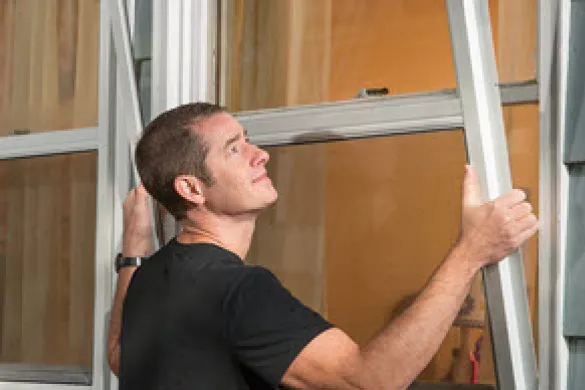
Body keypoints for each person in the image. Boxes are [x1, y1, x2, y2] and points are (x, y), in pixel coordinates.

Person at [106, 102, 538, 389]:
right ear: (192, 188)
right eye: (234, 149)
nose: (261, 155)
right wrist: (472, 251)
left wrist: (134, 248)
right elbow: (367, 382)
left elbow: (120, 358)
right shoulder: (239, 290)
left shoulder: (149, 277)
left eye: (249, 139)